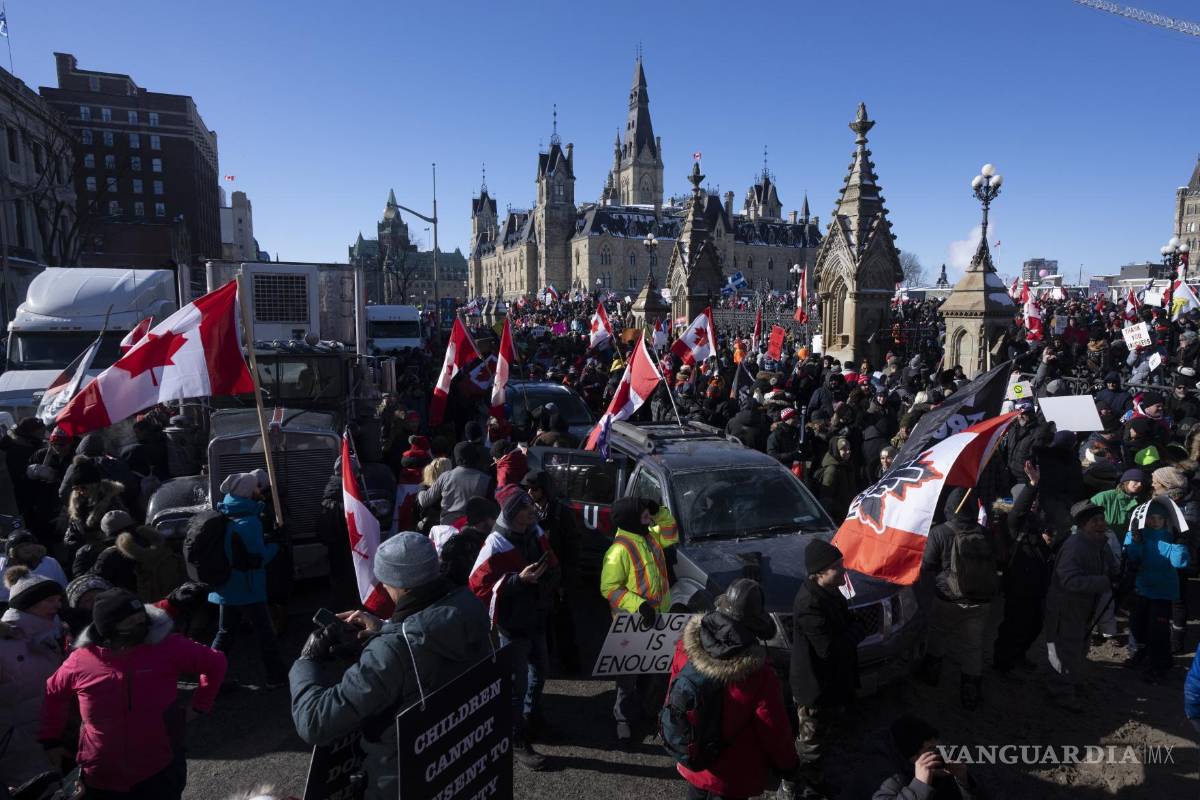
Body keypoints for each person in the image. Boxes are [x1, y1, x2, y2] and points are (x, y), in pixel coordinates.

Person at [290, 532, 491, 800]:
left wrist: (307, 661)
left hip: (402, 780)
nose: (383, 587)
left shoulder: (392, 651)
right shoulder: (468, 605)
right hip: (457, 764)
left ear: (401, 586)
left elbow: (315, 723)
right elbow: (428, 633)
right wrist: (386, 629)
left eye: (385, 581)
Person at [39, 588, 228, 800]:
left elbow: (216, 662)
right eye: (130, 622)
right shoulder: (80, 660)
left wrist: (200, 705)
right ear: (107, 628)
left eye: (142, 619)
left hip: (159, 768)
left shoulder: (167, 646)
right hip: (100, 775)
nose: (141, 627)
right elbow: (54, 692)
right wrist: (51, 739)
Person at [667, 579, 799, 800]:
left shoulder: (685, 646)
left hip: (693, 757)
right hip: (732, 774)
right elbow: (773, 728)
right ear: (754, 625)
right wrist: (789, 766)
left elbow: (672, 691)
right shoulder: (758, 675)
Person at [468, 486, 559, 770]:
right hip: (514, 625)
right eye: (525, 507)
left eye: (530, 505)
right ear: (512, 512)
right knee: (516, 685)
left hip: (537, 617)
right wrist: (518, 581)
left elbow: (552, 561)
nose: (532, 510)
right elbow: (477, 586)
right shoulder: (495, 543)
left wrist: (550, 578)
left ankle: (531, 718)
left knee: (540, 671)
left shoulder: (535, 532)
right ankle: (516, 737)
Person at [599, 495, 678, 743]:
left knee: (657, 672)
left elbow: (671, 532)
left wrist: (659, 510)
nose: (648, 515)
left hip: (657, 619)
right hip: (633, 622)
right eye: (643, 512)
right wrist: (639, 605)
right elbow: (609, 588)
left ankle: (649, 713)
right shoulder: (619, 550)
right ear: (631, 519)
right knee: (628, 678)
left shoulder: (650, 535)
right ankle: (623, 719)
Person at [790, 539, 859, 798]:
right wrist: (856, 632)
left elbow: (842, 624)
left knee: (823, 736)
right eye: (837, 567)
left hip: (830, 682)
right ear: (819, 572)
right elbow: (828, 648)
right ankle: (796, 785)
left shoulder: (829, 590)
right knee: (810, 745)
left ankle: (815, 779)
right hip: (813, 688)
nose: (843, 570)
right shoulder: (809, 602)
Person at [918, 488, 999, 710]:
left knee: (938, 635)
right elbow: (999, 559)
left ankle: (931, 675)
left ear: (949, 507)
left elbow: (927, 565)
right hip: (981, 601)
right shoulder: (985, 533)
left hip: (948, 597)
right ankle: (970, 691)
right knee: (973, 646)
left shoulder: (941, 532)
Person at [208, 472, 287, 690]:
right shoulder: (249, 522)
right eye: (256, 488)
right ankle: (277, 677)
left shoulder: (226, 514)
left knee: (224, 634)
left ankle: (209, 680)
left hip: (226, 585)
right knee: (266, 635)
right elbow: (257, 559)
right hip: (248, 587)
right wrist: (278, 543)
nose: (259, 491)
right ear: (248, 492)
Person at [1043, 501, 1119, 711]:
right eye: (1094, 521)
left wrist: (1119, 574)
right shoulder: (1075, 546)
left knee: (1080, 647)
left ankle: (1073, 681)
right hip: (1065, 606)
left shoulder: (1100, 543)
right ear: (1084, 524)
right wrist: (1104, 582)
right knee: (1064, 651)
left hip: (1085, 606)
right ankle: (1060, 692)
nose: (1100, 524)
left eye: (1101, 519)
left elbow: (1111, 568)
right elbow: (1068, 580)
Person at [0, 567, 65, 787]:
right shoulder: (4, 642)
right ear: (28, 604)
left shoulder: (57, 632)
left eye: (58, 599)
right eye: (49, 600)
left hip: (52, 734)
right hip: (17, 744)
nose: (57, 605)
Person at [1124, 498, 1190, 682]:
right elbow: (1132, 556)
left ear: (1166, 520)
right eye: (1150, 517)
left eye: (1158, 518)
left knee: (1158, 629)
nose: (1154, 521)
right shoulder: (1139, 535)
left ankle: (1159, 662)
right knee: (1138, 625)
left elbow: (1180, 563)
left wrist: (1178, 543)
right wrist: (1136, 540)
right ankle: (1139, 653)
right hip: (1141, 587)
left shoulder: (1169, 537)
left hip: (1163, 590)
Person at [854, 715, 984, 800]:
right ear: (912, 757)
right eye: (930, 751)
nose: (939, 755)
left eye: (938, 746)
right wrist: (920, 785)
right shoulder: (884, 774)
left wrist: (963, 782)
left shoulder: (938, 763)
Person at [417, 442, 493, 524]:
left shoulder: (446, 476)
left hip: (447, 528)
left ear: (456, 459)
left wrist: (422, 486)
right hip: (472, 530)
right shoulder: (486, 480)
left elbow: (424, 501)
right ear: (475, 457)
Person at [0, 531, 67, 603]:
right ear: (13, 552)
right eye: (21, 546)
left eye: (28, 544)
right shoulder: (3, 567)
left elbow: (63, 587)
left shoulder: (51, 562)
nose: (26, 548)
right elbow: (2, 598)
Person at [815, 437, 856, 521]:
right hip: (837, 517)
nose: (848, 451)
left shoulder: (846, 466)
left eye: (849, 448)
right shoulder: (832, 470)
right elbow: (826, 498)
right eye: (843, 449)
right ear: (836, 451)